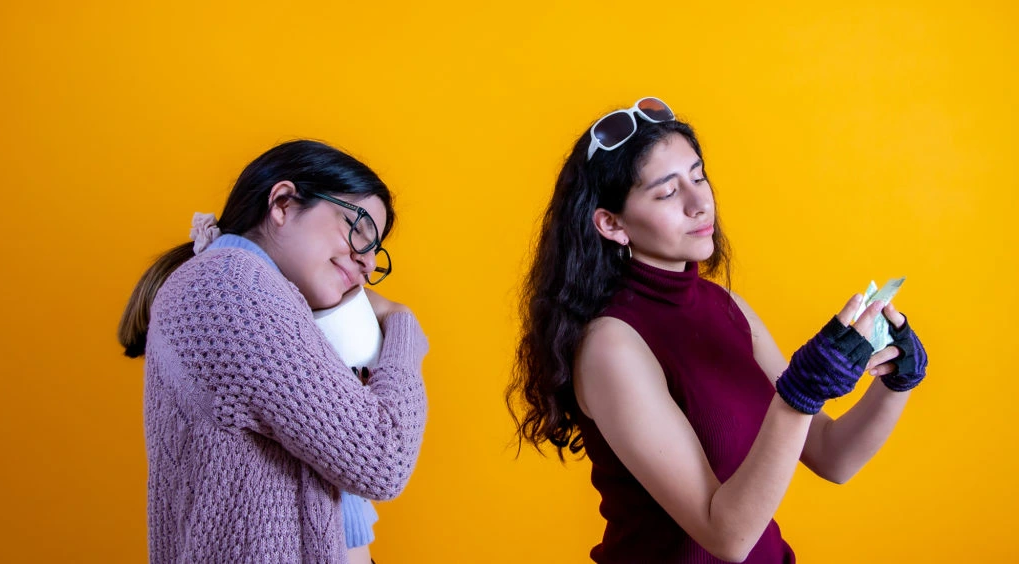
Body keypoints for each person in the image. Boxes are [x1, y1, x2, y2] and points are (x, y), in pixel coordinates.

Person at [508, 98, 928, 563]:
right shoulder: (611, 344)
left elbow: (833, 457)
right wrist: (801, 392)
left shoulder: (728, 309)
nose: (698, 202)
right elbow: (726, 537)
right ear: (612, 224)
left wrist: (897, 381)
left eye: (698, 175)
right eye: (667, 193)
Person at [118, 139, 428, 563]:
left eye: (375, 253)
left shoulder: (252, 295)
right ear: (282, 203)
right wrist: (403, 327)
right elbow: (383, 457)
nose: (368, 263)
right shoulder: (230, 286)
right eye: (358, 230)